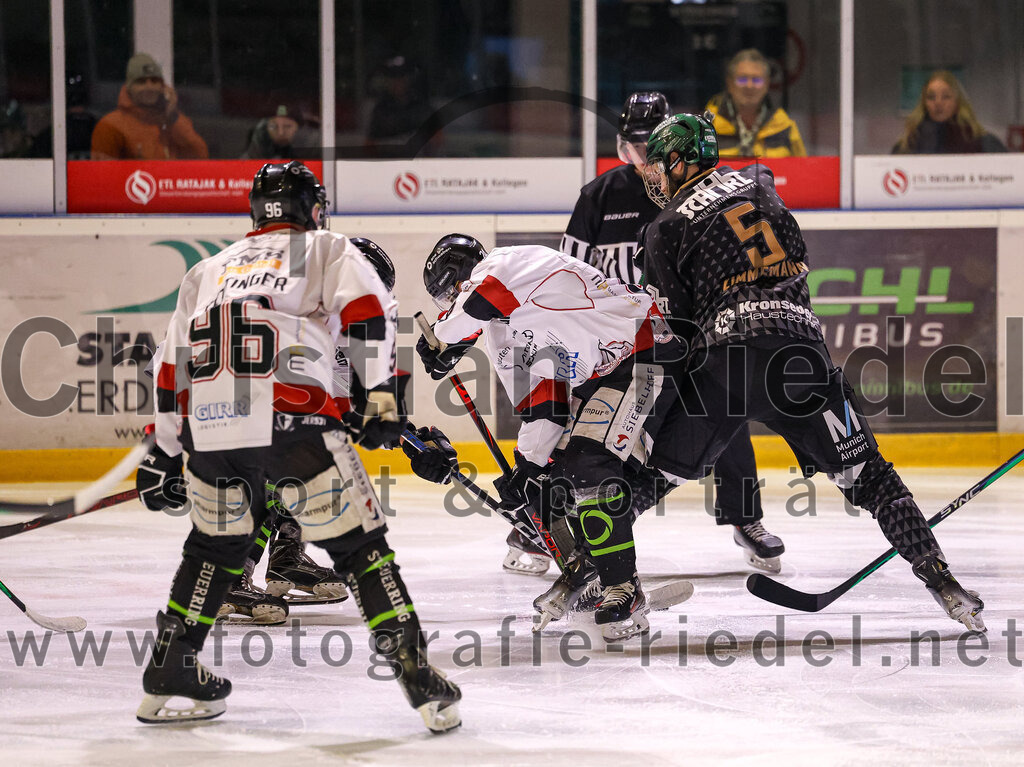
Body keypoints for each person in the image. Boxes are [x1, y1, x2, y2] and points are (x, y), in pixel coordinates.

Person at [136, 161, 461, 732]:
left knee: (211, 550)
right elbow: (368, 313)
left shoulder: (206, 270)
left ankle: (171, 666)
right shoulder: (328, 248)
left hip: (211, 434)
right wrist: (381, 396)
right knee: (361, 550)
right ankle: (415, 674)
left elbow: (171, 368)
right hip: (295, 425)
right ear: (312, 207)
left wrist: (161, 453)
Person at [638, 112, 985, 632]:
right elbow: (764, 187)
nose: (656, 177)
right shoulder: (760, 185)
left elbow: (678, 332)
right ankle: (943, 582)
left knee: (644, 478)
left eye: (661, 164)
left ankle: (596, 576)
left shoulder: (666, 226)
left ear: (681, 161)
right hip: (803, 358)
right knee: (874, 480)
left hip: (728, 364)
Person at [560, 91, 785, 574]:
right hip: (619, 343)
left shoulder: (695, 198)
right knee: (589, 429)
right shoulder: (598, 197)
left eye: (651, 150)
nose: (643, 163)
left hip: (684, 333)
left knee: (728, 408)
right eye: (633, 150)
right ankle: (551, 526)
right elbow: (568, 274)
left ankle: (745, 517)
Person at [418, 233, 681, 641]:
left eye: (447, 297)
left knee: (587, 465)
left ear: (457, 282)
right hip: (609, 375)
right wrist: (528, 468)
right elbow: (546, 406)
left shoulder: (510, 263)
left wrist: (441, 337)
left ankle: (621, 587)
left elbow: (477, 303)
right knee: (553, 476)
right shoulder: (501, 337)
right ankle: (590, 563)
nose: (449, 306)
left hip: (647, 349)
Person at [91, 52, 208, 160]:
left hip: (166, 182)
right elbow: (103, 176)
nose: (149, 87)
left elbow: (200, 156)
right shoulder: (111, 125)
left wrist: (172, 118)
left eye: (154, 81)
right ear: (129, 88)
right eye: (141, 82)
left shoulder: (172, 121)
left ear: (163, 87)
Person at [704, 48, 806, 158]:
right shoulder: (708, 127)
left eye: (757, 80)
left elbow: (801, 170)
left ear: (767, 84)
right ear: (729, 83)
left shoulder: (784, 127)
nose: (749, 86)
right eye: (742, 79)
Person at [892, 70, 1007, 154]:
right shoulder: (908, 144)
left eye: (946, 96)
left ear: (958, 102)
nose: (938, 103)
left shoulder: (984, 142)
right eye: (931, 97)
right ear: (924, 103)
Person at [240, 103, 304, 160]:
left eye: (287, 126)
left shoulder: (309, 154)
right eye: (274, 127)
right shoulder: (252, 156)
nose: (281, 133)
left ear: (297, 129)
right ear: (265, 128)